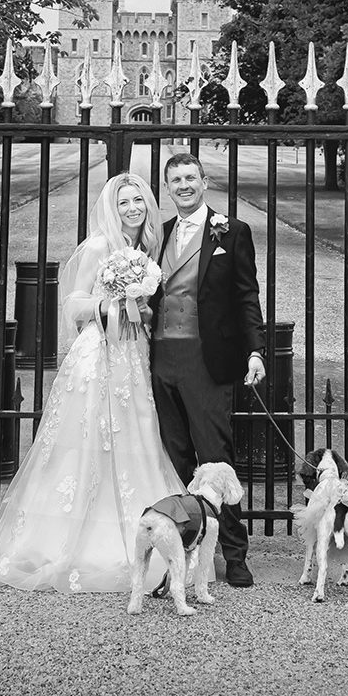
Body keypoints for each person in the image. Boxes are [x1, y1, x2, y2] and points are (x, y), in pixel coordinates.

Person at [0, 172, 183, 592]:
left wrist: (141, 309)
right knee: (84, 445)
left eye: (139, 201)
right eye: (124, 203)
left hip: (131, 357)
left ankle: (141, 535)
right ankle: (67, 543)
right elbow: (73, 303)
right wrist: (111, 302)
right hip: (98, 356)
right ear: (111, 209)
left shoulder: (143, 249)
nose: (133, 209)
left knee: (135, 438)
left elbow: (145, 309)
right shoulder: (99, 245)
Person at [146, 151, 267, 588]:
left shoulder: (232, 232)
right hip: (162, 358)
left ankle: (234, 553)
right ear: (167, 186)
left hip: (207, 359)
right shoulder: (157, 235)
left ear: (205, 181)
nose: (183, 185)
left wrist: (256, 351)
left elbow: (247, 297)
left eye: (190, 177)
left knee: (215, 460)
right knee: (175, 458)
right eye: (175, 179)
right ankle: (181, 552)